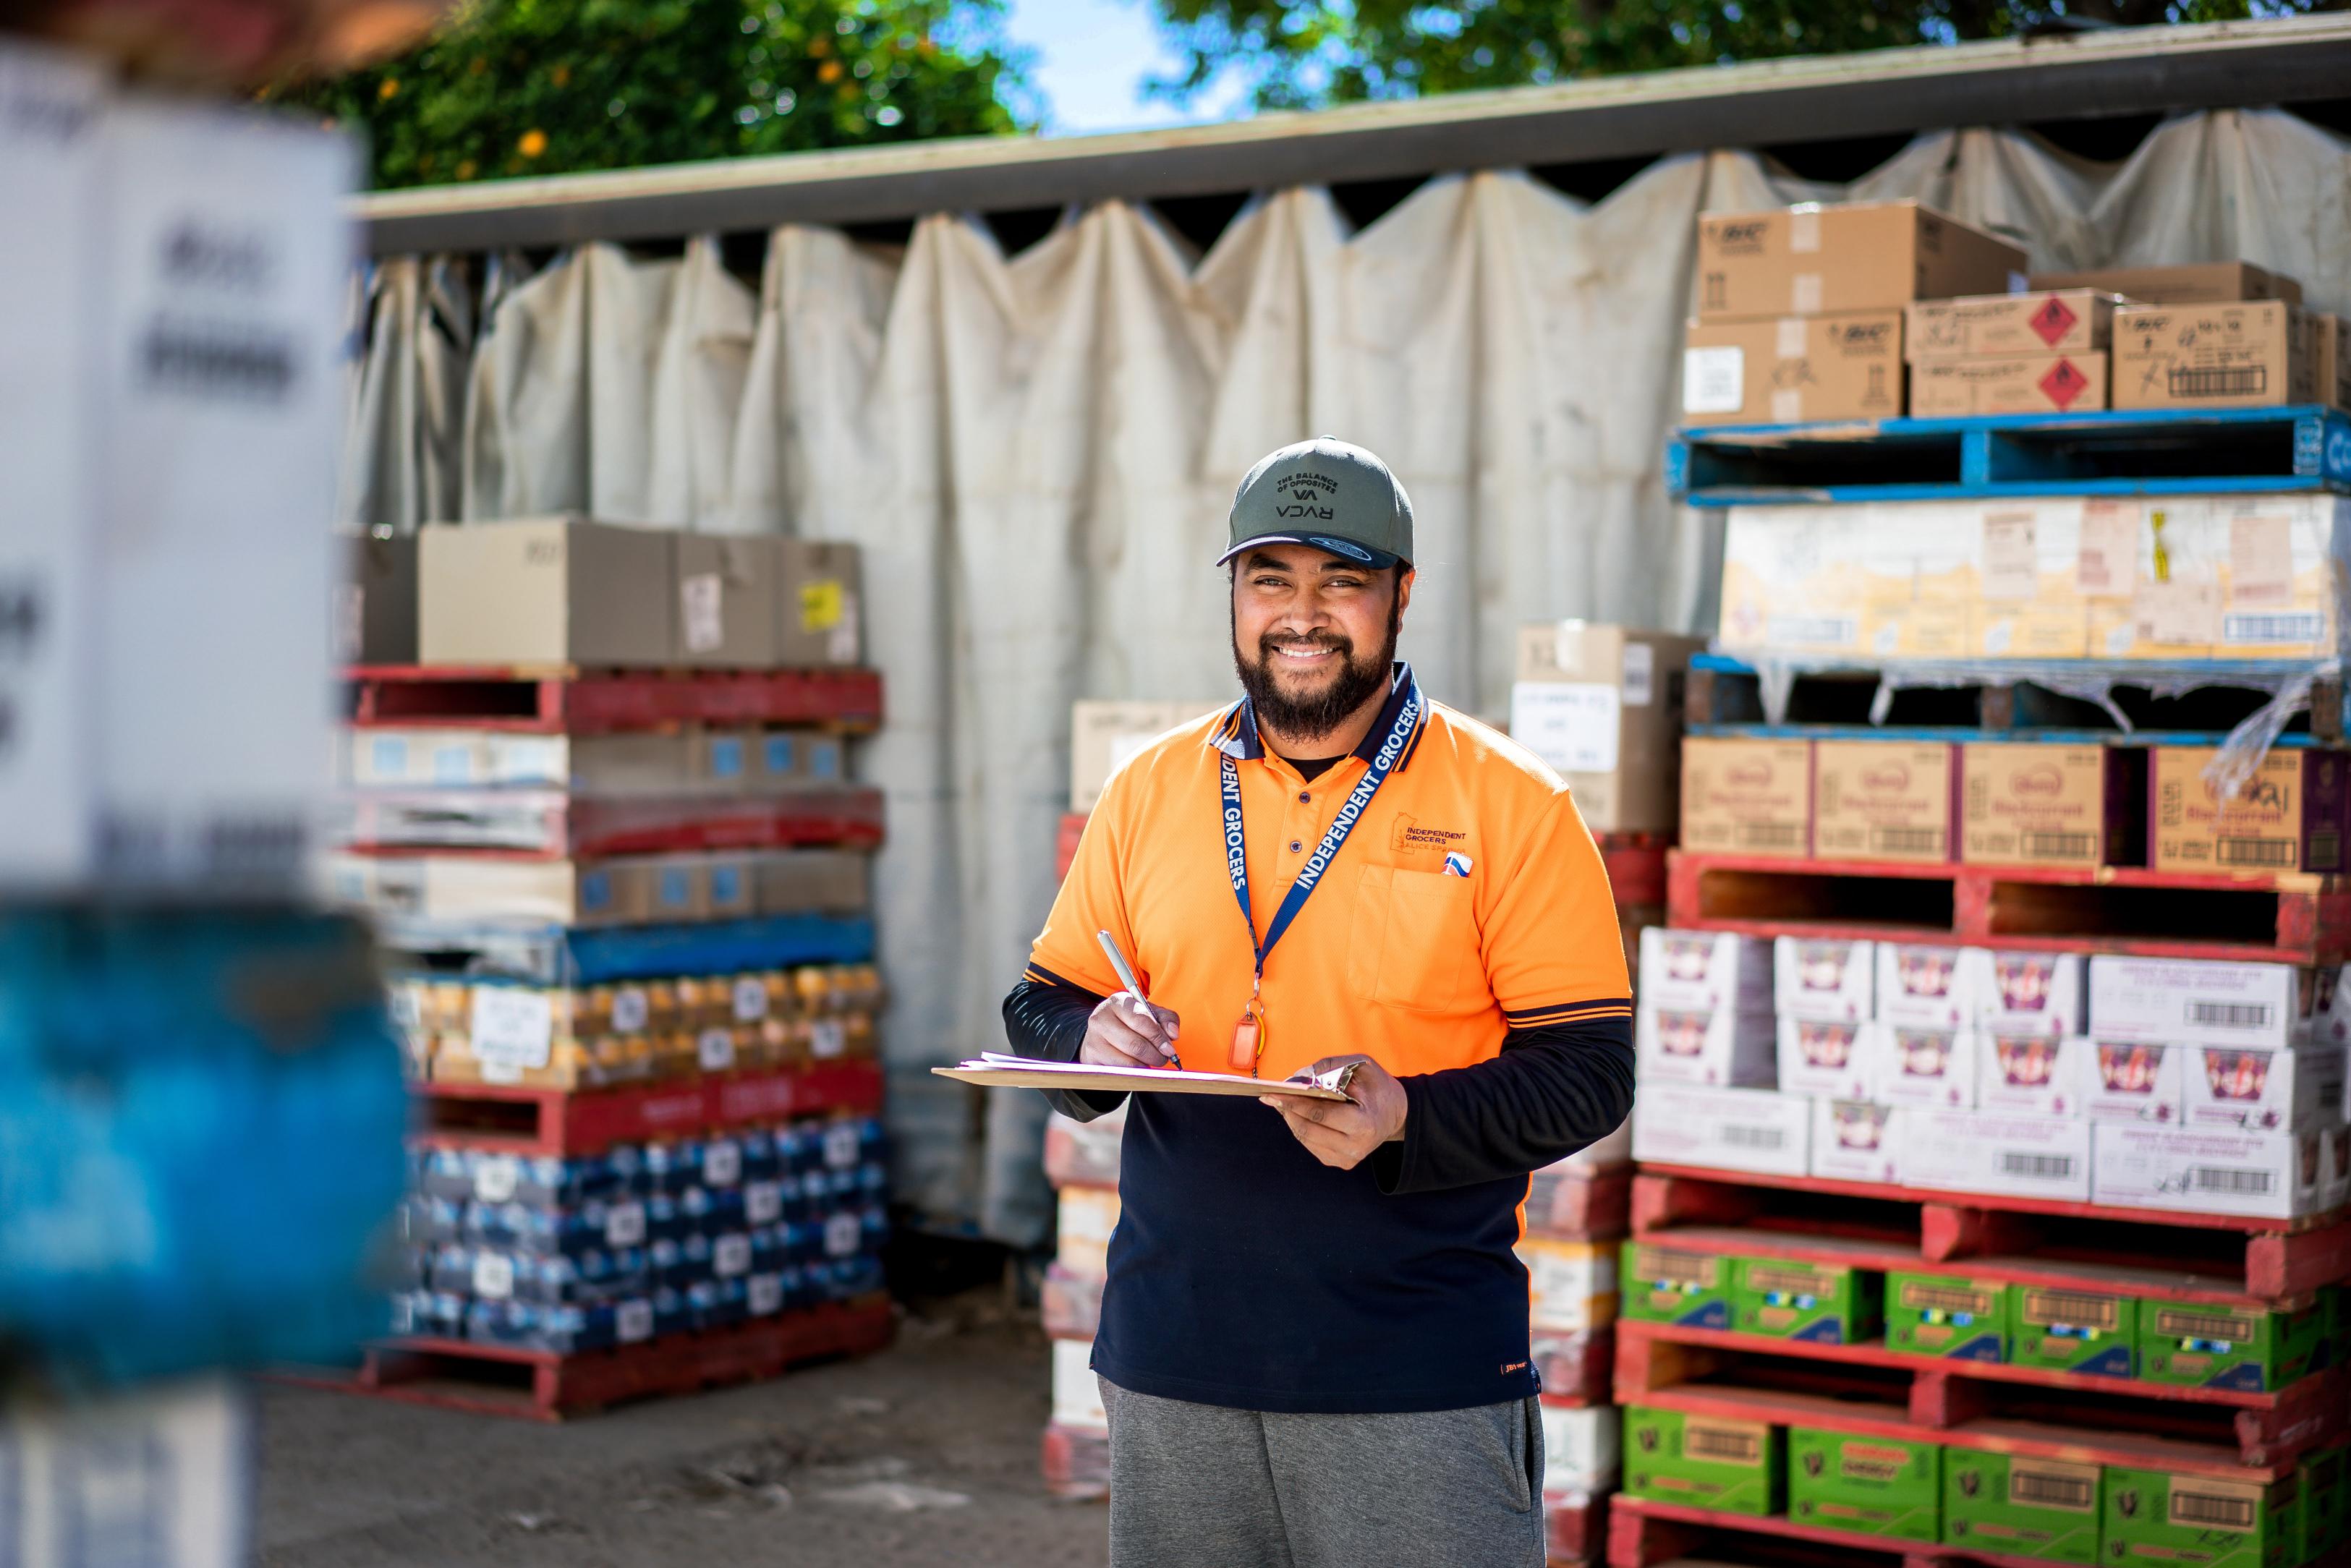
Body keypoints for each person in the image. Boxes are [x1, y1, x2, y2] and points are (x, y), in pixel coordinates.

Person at [1000, 436, 1636, 1568]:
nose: (1302, 615)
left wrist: (1406, 1121)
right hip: (1171, 1356)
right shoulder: (1150, 788)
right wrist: (1084, 1037)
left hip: (1412, 1372)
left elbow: (1588, 1071)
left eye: (1340, 580)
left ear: (1401, 595)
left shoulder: (1511, 804)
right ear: (1236, 598)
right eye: (1269, 580)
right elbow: (1041, 1000)